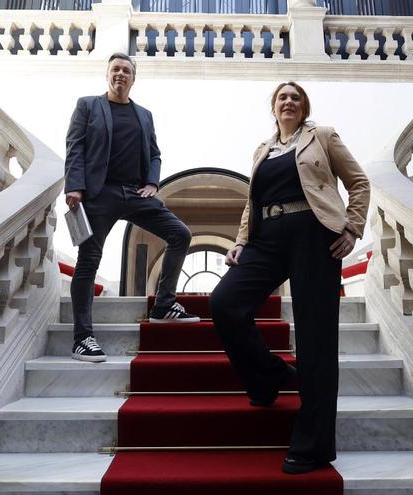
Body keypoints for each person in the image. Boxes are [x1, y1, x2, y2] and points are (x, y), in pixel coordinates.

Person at [210, 82, 370, 474]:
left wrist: (352, 227)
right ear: (273, 107)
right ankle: (270, 376)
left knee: (316, 339)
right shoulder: (262, 151)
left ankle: (313, 444)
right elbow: (253, 202)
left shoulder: (324, 137)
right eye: (282, 97)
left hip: (314, 235)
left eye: (295, 97)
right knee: (225, 303)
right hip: (266, 238)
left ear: (304, 107)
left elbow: (359, 182)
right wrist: (241, 241)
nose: (289, 101)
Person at [64, 53, 199, 363]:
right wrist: (74, 185)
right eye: (115, 69)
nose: (120, 74)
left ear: (133, 78)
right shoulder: (88, 105)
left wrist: (153, 183)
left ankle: (164, 305)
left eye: (126, 70)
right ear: (108, 74)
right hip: (100, 194)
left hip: (137, 193)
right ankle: (82, 338)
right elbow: (75, 146)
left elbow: (154, 154)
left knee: (180, 234)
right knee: (89, 261)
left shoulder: (144, 115)